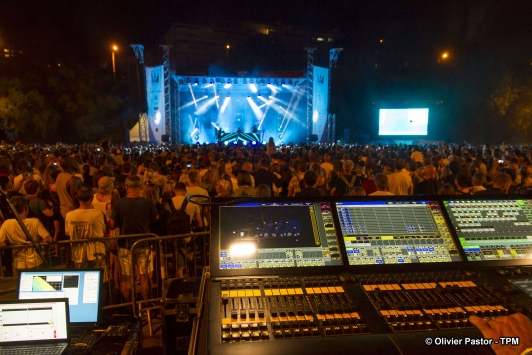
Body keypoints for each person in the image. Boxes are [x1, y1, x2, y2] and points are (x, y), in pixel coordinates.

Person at [109, 175, 159, 302]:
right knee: (144, 277)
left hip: (125, 244)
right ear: (140, 187)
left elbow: (112, 224)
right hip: (144, 243)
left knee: (126, 279)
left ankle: (129, 307)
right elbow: (157, 218)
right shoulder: (147, 202)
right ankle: (146, 305)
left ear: (127, 187)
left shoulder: (120, 203)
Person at [65, 186, 108, 280]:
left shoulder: (69, 215)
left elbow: (68, 233)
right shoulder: (99, 214)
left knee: (82, 279)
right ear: (92, 198)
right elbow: (104, 230)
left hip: (78, 253)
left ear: (77, 197)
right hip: (96, 252)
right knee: (99, 280)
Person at [0, 196, 52, 274]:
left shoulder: (7, 224)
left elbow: (1, 243)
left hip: (19, 263)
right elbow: (48, 239)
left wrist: (10, 242)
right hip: (36, 260)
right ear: (25, 208)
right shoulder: (35, 221)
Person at [163, 182, 202, 278]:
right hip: (188, 237)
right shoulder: (193, 203)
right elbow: (199, 223)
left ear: (174, 191)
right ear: (185, 191)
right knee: (191, 261)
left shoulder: (167, 204)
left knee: (178, 265)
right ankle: (193, 282)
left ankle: (181, 284)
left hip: (174, 238)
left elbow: (164, 222)